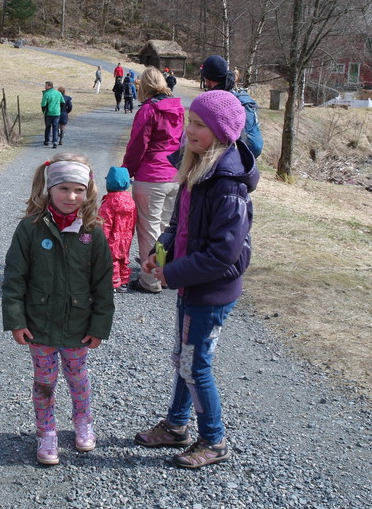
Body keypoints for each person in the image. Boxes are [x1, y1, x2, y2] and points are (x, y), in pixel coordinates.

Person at [134, 90, 258, 469]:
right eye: (190, 121)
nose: (189, 129)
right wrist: (160, 251)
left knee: (196, 366)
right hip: (192, 285)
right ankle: (176, 426)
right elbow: (178, 224)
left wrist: (171, 273)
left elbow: (223, 255)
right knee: (184, 359)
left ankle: (214, 440)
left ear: (221, 133)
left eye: (200, 125)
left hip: (211, 292)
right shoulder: (197, 169)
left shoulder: (227, 185)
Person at [1, 153, 115, 466]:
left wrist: (99, 326)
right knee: (44, 382)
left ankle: (83, 422)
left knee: (78, 378)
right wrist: (16, 321)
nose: (71, 197)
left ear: (88, 191)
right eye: (64, 188)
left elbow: (103, 285)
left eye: (78, 190)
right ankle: (46, 432)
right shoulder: (29, 229)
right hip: (39, 326)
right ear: (49, 189)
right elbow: (14, 279)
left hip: (79, 327)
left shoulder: (93, 232)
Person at [121, 67, 184, 294]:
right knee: (167, 228)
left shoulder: (148, 110)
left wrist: (126, 170)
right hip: (174, 174)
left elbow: (138, 144)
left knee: (149, 229)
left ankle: (150, 281)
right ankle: (165, 276)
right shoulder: (177, 107)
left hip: (152, 175)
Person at [200, 55, 263, 158]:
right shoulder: (238, 94)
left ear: (207, 78)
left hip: (229, 157)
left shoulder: (215, 101)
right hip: (248, 156)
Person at [99, 166, 136, 293]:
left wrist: (100, 239)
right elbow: (134, 219)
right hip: (126, 237)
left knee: (111, 259)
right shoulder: (130, 201)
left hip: (112, 237)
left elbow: (105, 224)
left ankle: (114, 283)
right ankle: (124, 282)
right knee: (123, 258)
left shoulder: (108, 203)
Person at [41, 81, 63, 148]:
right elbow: (63, 102)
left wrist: (44, 111)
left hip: (48, 113)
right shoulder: (58, 93)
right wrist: (59, 109)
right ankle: (55, 142)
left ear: (49, 86)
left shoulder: (46, 94)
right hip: (56, 113)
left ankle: (47, 141)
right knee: (55, 128)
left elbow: (43, 104)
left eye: (46, 86)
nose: (45, 87)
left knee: (48, 127)